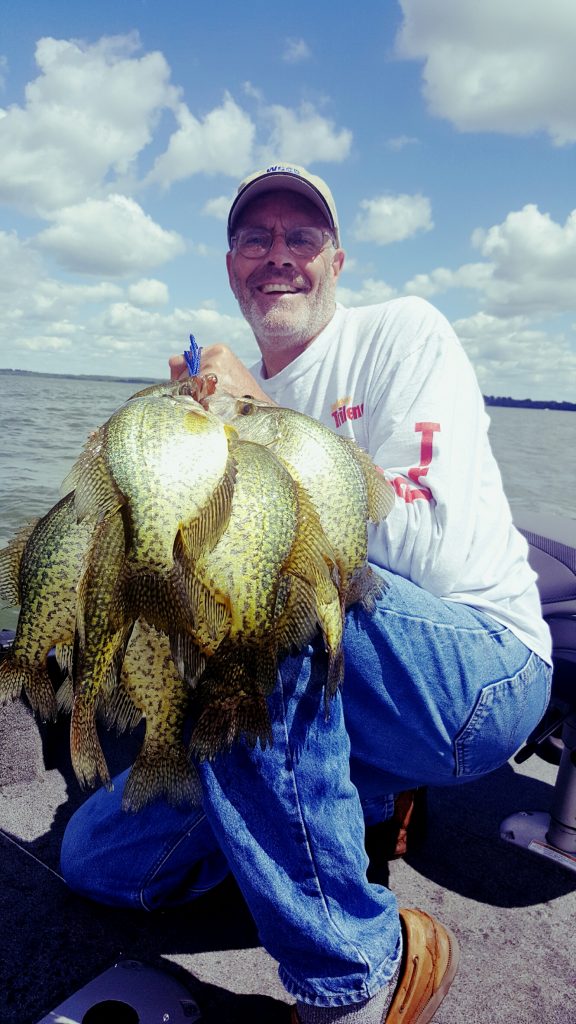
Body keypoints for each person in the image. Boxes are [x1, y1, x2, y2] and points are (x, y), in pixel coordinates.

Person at [61, 164, 552, 1023]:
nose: (279, 255)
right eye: (256, 238)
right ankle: (339, 801)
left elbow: (428, 546)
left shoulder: (404, 333)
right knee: (97, 861)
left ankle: (356, 977)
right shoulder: (222, 401)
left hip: (473, 671)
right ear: (232, 268)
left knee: (262, 598)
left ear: (337, 260)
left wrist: (263, 425)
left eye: (303, 237)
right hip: (318, 682)